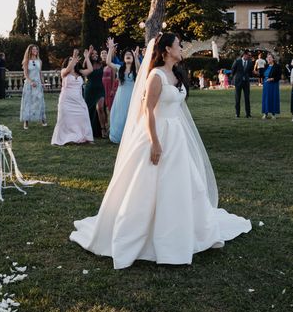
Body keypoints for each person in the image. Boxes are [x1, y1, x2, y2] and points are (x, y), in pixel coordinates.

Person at [70, 32, 251, 269]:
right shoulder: (155, 76)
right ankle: (147, 233)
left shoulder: (176, 74)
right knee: (149, 185)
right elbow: (148, 111)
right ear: (166, 49)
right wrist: (155, 142)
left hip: (177, 136)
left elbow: (176, 106)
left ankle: (183, 227)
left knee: (181, 184)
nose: (181, 48)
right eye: (178, 45)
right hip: (157, 135)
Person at [51, 49, 94, 145]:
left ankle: (85, 137)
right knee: (65, 119)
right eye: (70, 60)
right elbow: (67, 70)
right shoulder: (64, 72)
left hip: (78, 100)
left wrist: (87, 57)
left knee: (83, 116)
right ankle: (66, 138)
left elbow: (90, 70)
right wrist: (74, 58)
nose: (72, 60)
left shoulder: (79, 72)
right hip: (66, 100)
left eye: (73, 59)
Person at [105, 37, 140, 144]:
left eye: (130, 55)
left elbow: (139, 69)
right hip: (121, 97)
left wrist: (136, 56)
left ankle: (132, 137)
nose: (128, 56)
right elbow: (108, 62)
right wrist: (111, 49)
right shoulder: (119, 68)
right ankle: (119, 136)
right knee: (120, 115)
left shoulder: (136, 70)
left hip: (133, 96)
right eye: (126, 55)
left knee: (132, 115)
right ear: (123, 58)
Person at [20, 45, 47, 129]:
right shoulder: (26, 61)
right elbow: (25, 74)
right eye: (33, 49)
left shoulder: (39, 61)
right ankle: (26, 122)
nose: (35, 50)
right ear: (30, 51)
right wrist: (31, 82)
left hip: (38, 84)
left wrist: (43, 83)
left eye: (36, 49)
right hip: (29, 84)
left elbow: (40, 73)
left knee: (40, 101)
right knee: (28, 102)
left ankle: (43, 120)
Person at [83, 48, 107, 138]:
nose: (95, 55)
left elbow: (108, 60)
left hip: (100, 89)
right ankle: (91, 131)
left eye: (96, 54)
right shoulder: (86, 64)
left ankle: (103, 128)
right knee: (89, 110)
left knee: (100, 108)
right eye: (92, 54)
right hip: (89, 90)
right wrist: (87, 55)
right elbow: (86, 67)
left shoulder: (101, 64)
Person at [230, 51, 253, 118]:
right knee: (237, 98)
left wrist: (254, 73)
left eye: (249, 55)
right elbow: (233, 70)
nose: (249, 56)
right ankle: (237, 113)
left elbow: (250, 72)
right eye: (248, 55)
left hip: (246, 82)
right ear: (244, 55)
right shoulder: (237, 61)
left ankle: (248, 114)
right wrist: (234, 79)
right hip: (238, 82)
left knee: (247, 98)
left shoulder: (250, 62)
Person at [261, 53, 281, 119]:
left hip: (273, 84)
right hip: (266, 84)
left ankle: (273, 114)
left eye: (270, 57)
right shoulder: (266, 66)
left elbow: (279, 76)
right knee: (266, 98)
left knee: (273, 98)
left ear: (273, 59)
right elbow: (263, 75)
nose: (268, 59)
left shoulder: (277, 66)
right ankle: (265, 113)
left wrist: (272, 78)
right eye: (267, 58)